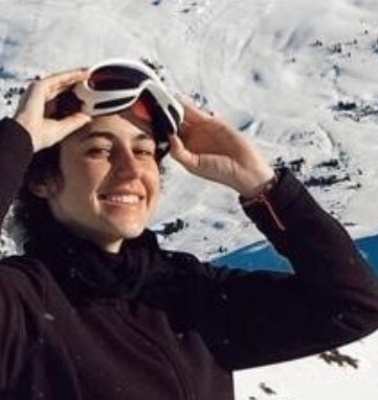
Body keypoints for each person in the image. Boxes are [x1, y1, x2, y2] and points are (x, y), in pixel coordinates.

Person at [0, 64, 378, 400]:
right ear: (42, 179)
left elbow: (351, 306)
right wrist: (17, 140)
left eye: (144, 151)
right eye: (99, 151)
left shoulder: (186, 292)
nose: (131, 170)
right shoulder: (20, 306)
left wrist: (263, 186)